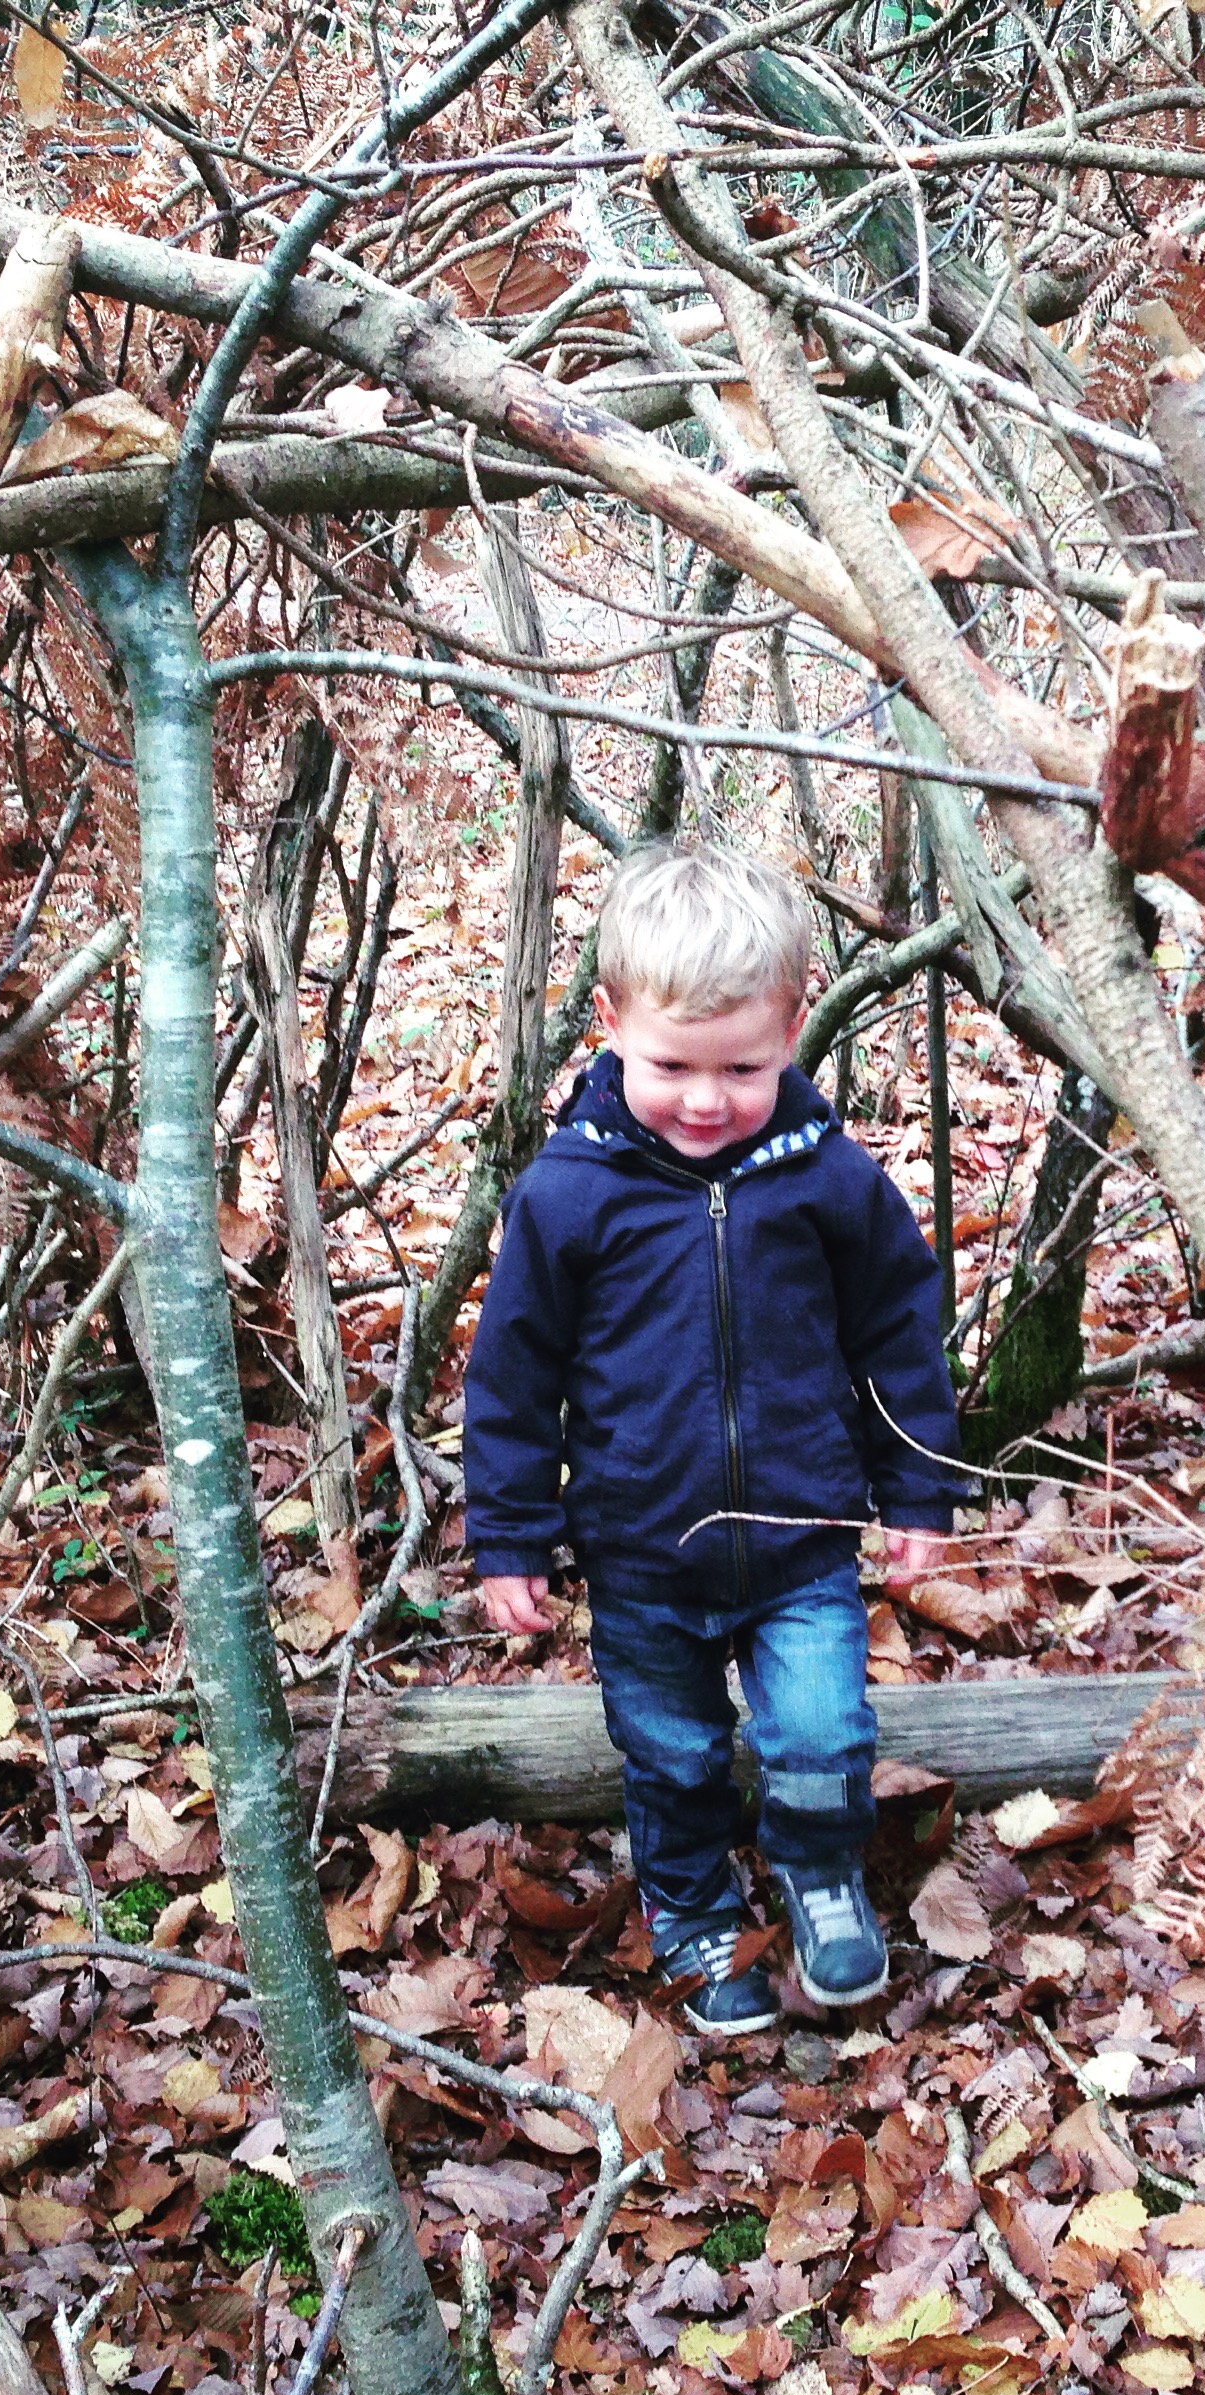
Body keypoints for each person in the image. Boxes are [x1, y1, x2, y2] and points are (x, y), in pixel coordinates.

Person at [464, 837, 970, 2035]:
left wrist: (918, 1498)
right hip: (642, 1553)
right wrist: (510, 1538)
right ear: (608, 1024)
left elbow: (901, 1340)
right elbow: (513, 1378)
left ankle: (820, 1874)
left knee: (820, 1731)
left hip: (800, 1545)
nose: (706, 1099)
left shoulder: (829, 1181)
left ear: (794, 1028)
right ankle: (692, 1912)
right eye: (674, 1064)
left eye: (742, 1067)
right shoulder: (568, 1193)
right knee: (675, 1754)